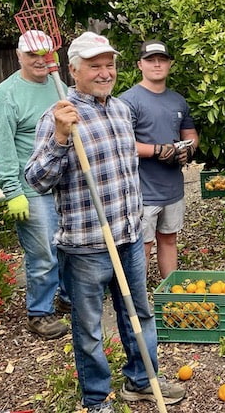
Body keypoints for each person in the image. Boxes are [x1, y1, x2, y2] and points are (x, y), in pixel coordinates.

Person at [24, 32, 185, 411]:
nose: (104, 72)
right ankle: (96, 400)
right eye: (94, 65)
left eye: (109, 64)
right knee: (90, 331)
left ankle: (141, 382)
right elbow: (37, 180)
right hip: (86, 246)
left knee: (139, 314)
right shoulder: (59, 116)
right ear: (74, 70)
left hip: (128, 236)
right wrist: (61, 138)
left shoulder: (121, 110)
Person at [0, 30, 70, 340]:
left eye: (45, 54)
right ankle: (39, 313)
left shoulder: (58, 86)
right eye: (32, 54)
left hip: (64, 183)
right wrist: (12, 191)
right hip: (31, 189)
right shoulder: (7, 93)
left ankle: (65, 297)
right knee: (43, 252)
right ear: (19, 56)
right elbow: (3, 146)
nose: (39, 60)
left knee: (66, 245)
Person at [120, 40, 199, 279]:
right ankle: (137, 303)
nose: (157, 64)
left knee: (169, 239)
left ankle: (169, 292)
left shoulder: (177, 100)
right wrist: (158, 150)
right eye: (150, 60)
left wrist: (189, 150)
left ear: (170, 64)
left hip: (172, 188)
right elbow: (122, 145)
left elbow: (191, 135)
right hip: (141, 191)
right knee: (142, 246)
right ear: (139, 65)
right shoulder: (127, 101)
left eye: (162, 60)